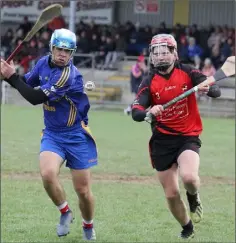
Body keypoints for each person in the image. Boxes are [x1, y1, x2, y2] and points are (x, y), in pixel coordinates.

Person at [1, 28, 97, 241]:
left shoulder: (67, 75)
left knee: (83, 191)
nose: (63, 54)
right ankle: (65, 212)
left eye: (67, 51)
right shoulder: (44, 63)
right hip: (53, 133)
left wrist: (11, 77)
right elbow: (26, 83)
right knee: (47, 174)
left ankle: (88, 226)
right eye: (59, 49)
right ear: (52, 48)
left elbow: (35, 98)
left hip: (76, 135)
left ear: (72, 54)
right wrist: (8, 76)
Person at [131, 34, 221, 239]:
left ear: (174, 53)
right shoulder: (149, 80)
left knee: (189, 177)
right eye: (156, 52)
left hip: (187, 136)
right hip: (162, 140)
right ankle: (187, 226)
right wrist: (149, 112)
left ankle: (194, 197)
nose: (161, 56)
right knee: (171, 194)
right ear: (152, 56)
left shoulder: (188, 71)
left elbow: (215, 90)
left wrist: (208, 89)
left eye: (165, 51)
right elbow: (136, 110)